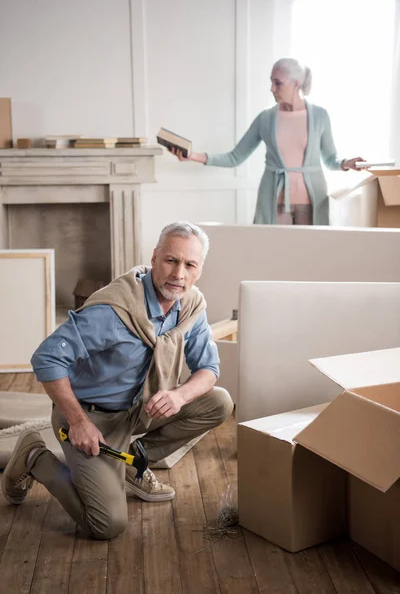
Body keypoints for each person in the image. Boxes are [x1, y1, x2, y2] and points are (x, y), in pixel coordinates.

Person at [1, 221, 233, 540]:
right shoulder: (114, 311)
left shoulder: (191, 306)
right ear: (154, 259)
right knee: (107, 525)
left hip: (138, 409)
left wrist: (179, 396)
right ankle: (34, 456)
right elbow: (47, 358)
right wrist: (79, 422)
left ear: (199, 269)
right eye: (171, 260)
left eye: (189, 264)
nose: (179, 273)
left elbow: (208, 368)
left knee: (218, 402)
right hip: (91, 416)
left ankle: (129, 463)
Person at [170, 58, 366, 226]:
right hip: (274, 201)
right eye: (271, 82)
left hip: (312, 201)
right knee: (275, 255)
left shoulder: (320, 116)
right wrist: (193, 156)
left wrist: (345, 163)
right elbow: (235, 157)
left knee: (311, 257)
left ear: (295, 83)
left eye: (277, 83)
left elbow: (330, 158)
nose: (272, 89)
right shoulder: (265, 118)